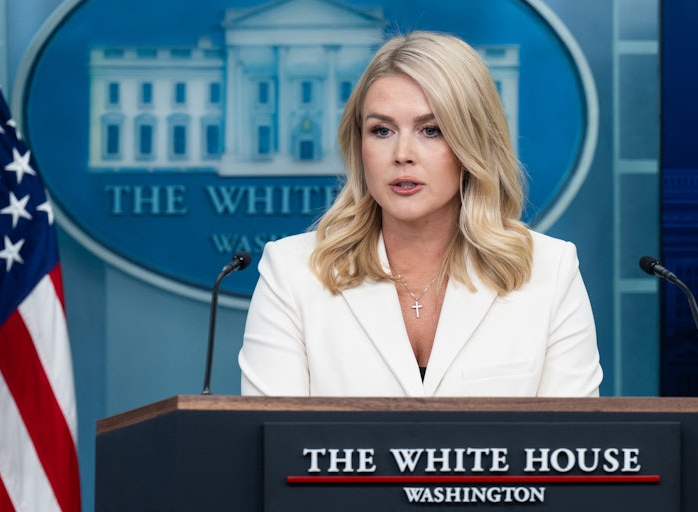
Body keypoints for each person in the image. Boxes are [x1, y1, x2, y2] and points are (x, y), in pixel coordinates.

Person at [239, 31, 602, 397]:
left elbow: (572, 447)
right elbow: (271, 445)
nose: (402, 154)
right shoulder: (291, 271)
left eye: (431, 130)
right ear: (359, 145)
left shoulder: (550, 271)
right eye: (381, 130)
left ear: (472, 142)